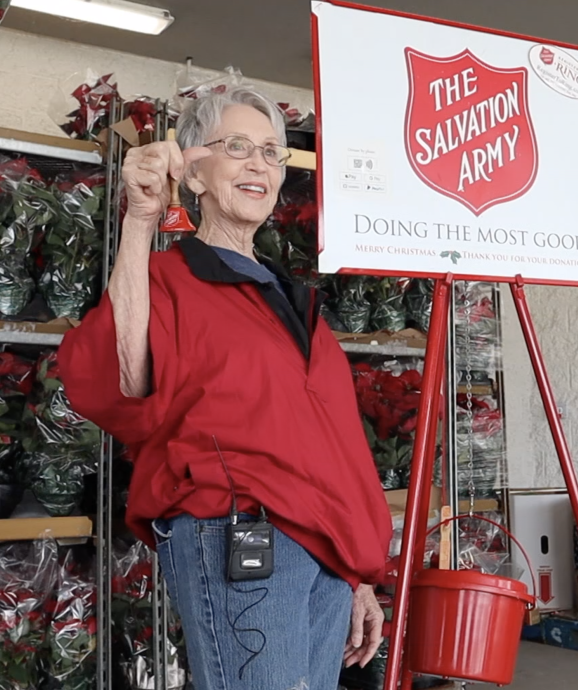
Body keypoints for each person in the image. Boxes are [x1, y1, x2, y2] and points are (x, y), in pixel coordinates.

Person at [58, 85, 393, 690]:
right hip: (243, 533)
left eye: (272, 151)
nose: (259, 163)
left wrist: (357, 574)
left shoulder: (286, 297)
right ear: (193, 171)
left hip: (324, 549)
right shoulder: (170, 279)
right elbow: (125, 379)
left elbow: (328, 445)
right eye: (238, 146)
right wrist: (140, 222)